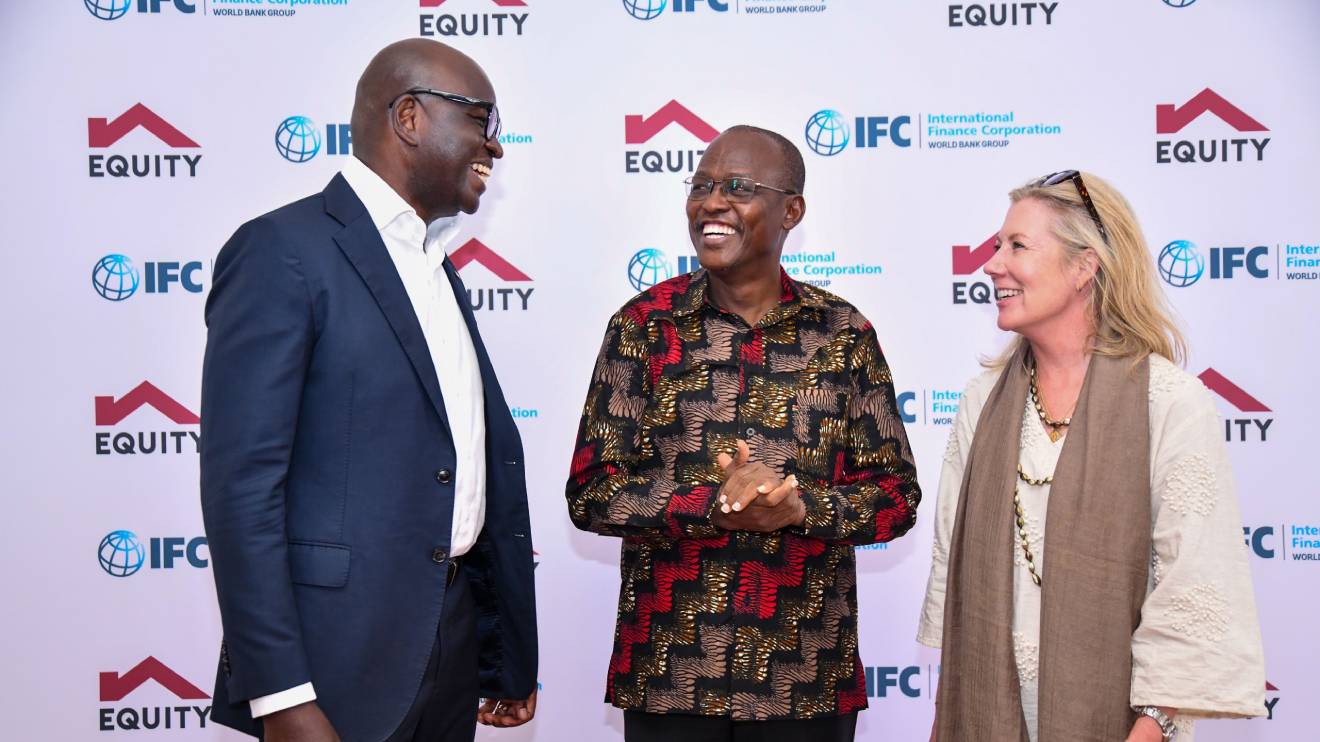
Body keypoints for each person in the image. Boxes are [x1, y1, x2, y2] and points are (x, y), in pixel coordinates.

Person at [200, 39, 537, 742]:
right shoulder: (282, 252)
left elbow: (458, 462)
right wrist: (280, 693)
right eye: (482, 120)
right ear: (410, 117)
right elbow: (242, 487)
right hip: (333, 668)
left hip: (446, 645)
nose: (494, 147)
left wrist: (502, 655)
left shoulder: (430, 263)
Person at [565, 125, 922, 742]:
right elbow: (591, 492)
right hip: (670, 674)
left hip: (806, 678)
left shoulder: (843, 336)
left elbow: (896, 498)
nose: (711, 203)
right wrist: (714, 504)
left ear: (792, 210)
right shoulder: (643, 328)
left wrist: (799, 508)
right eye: (700, 186)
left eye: (737, 187)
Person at [917, 171, 1265, 742]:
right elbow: (957, 580)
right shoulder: (983, 400)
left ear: (1084, 267)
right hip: (986, 715)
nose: (991, 264)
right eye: (997, 244)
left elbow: (1190, 579)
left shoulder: (1169, 401)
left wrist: (1151, 729)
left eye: (1018, 246)